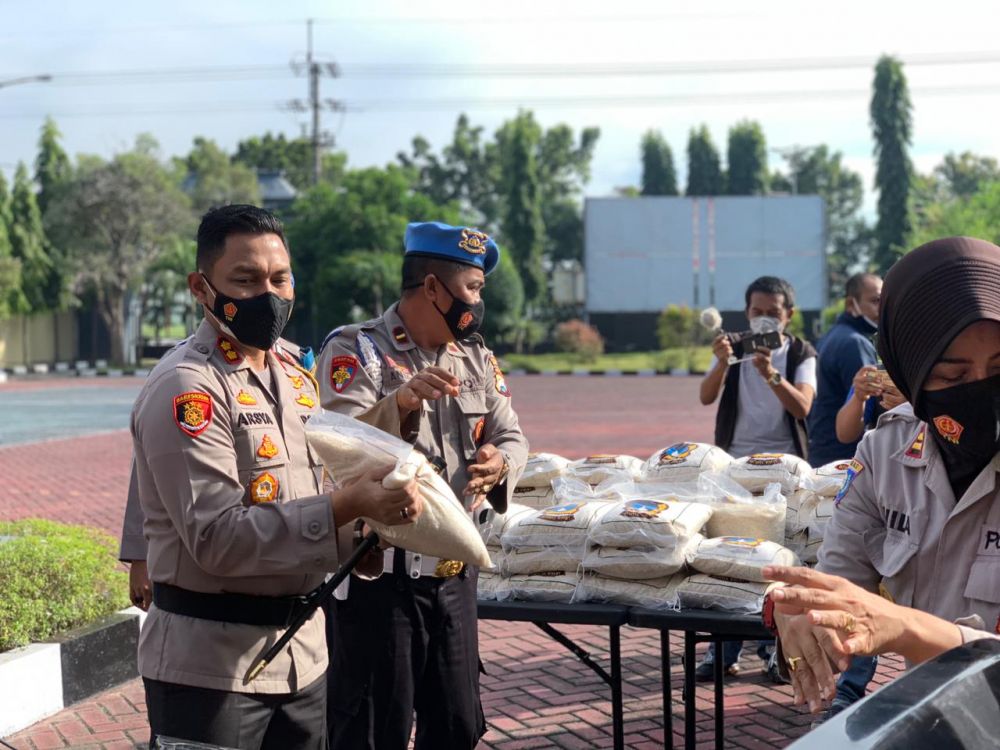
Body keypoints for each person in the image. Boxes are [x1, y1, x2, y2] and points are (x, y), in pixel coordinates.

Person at [127, 204, 423, 749]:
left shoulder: (295, 375)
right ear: (201, 286)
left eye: (279, 278)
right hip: (211, 671)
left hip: (302, 657)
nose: (268, 294)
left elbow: (303, 494)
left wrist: (362, 534)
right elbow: (217, 539)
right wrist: (345, 508)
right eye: (245, 280)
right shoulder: (187, 389)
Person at [316, 221, 529, 750]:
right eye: (473, 289)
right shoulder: (357, 350)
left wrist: (499, 462)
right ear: (433, 287)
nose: (478, 303)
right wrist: (401, 403)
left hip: (454, 584)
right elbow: (335, 444)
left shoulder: (475, 357)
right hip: (380, 582)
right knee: (372, 733)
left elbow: (514, 435)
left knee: (456, 728)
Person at [769, 236, 1000, 715]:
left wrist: (903, 627)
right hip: (936, 721)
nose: (982, 392)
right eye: (953, 378)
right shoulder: (887, 452)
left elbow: (895, 626)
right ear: (909, 372)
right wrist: (801, 613)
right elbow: (838, 581)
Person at [699, 275, 817, 680]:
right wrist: (720, 361)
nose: (764, 320)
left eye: (773, 313)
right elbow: (705, 396)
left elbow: (802, 407)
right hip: (734, 466)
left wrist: (771, 374)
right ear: (746, 312)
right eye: (757, 312)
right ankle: (722, 650)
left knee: (776, 561)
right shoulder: (736, 346)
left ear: (789, 315)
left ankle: (773, 648)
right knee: (729, 557)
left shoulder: (801, 352)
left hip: (782, 471)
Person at [808, 272, 883, 467]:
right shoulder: (854, 343)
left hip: (823, 446)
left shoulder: (832, 336)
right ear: (851, 304)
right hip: (845, 453)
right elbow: (869, 404)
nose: (881, 308)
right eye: (875, 301)